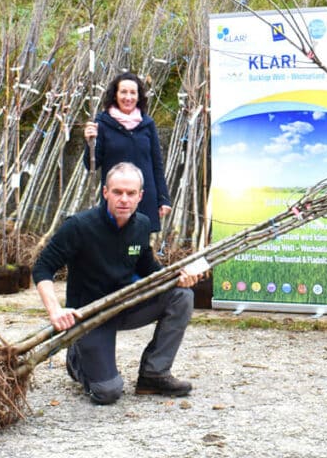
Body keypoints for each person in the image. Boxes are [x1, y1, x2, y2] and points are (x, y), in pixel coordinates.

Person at [33, 162, 201, 404]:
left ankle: (154, 374)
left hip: (126, 306)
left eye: (131, 193)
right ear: (105, 192)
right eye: (117, 192)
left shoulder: (141, 224)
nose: (124, 199)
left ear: (140, 196)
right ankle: (77, 359)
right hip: (90, 316)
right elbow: (42, 267)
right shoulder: (79, 226)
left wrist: (178, 277)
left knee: (181, 295)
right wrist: (55, 310)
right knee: (107, 393)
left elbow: (147, 268)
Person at [83, 72, 171, 237]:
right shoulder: (102, 122)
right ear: (115, 95)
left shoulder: (147, 124)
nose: (128, 97)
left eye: (133, 92)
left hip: (143, 197)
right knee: (114, 246)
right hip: (117, 199)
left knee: (138, 250)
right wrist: (90, 142)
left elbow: (156, 164)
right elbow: (91, 164)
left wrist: (163, 198)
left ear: (139, 97)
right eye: (123, 92)